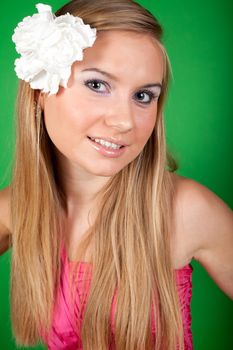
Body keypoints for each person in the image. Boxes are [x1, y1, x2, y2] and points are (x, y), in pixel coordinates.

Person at [0, 0, 232, 349]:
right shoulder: (17, 208)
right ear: (40, 91)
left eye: (143, 96)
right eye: (97, 85)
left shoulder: (185, 209)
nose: (125, 121)